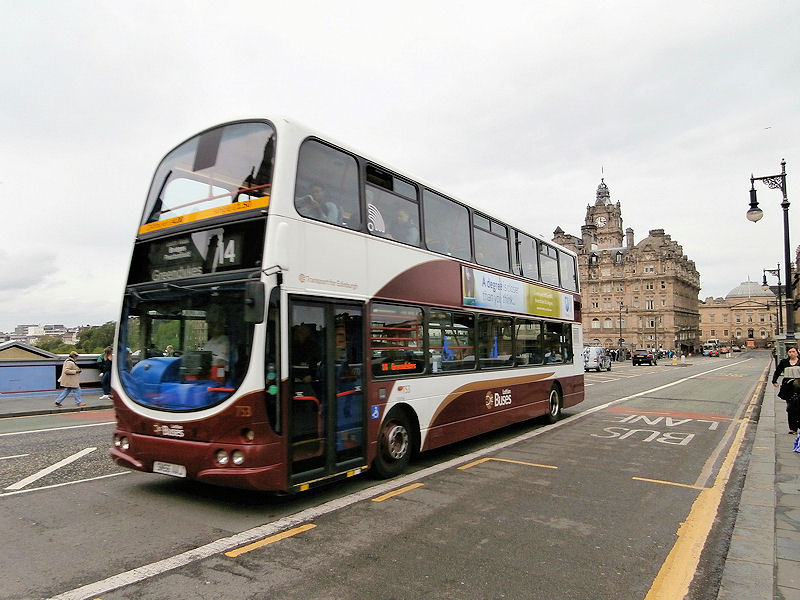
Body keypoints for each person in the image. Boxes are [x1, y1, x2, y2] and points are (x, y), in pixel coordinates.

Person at [772, 346, 800, 434]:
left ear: (797, 352)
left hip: (799, 387)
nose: (792, 353)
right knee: (790, 408)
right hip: (788, 388)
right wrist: (774, 381)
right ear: (787, 353)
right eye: (790, 352)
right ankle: (792, 428)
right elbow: (777, 371)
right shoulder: (784, 362)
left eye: (793, 351)